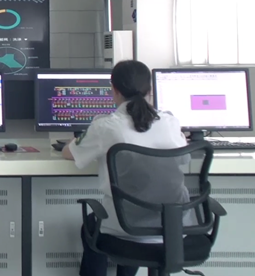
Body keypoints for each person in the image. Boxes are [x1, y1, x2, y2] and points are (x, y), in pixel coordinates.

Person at [61, 60, 188, 276]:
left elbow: (69, 153)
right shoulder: (170, 122)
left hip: (127, 226)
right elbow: (182, 158)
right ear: (149, 89)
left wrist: (76, 141)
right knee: (129, 216)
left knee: (92, 226)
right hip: (173, 226)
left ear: (114, 89)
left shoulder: (106, 126)